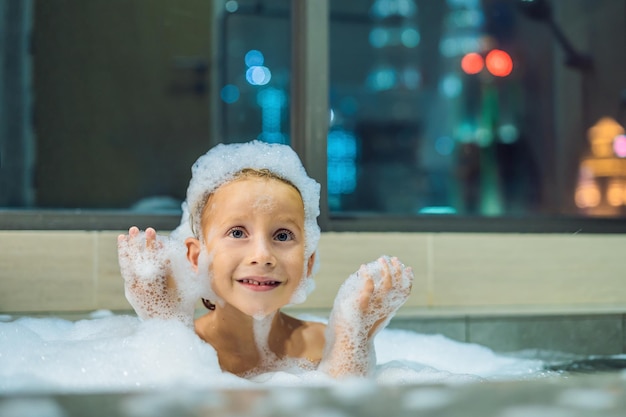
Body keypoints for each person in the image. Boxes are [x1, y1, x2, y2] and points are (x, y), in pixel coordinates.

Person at [118, 141, 413, 378]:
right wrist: (164, 325)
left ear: (308, 263)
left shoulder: (328, 346)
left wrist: (354, 344)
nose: (262, 255)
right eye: (237, 232)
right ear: (197, 257)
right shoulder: (182, 349)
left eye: (283, 236)